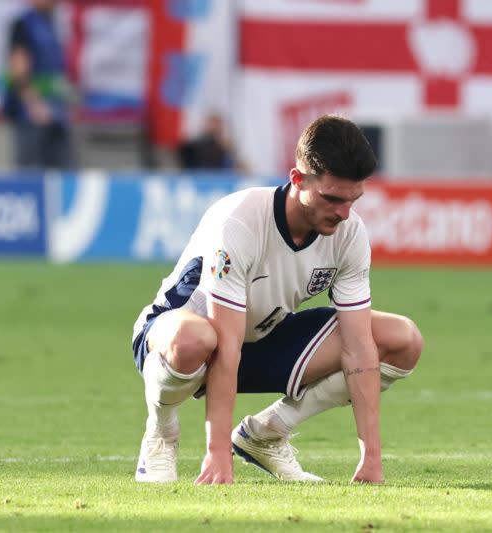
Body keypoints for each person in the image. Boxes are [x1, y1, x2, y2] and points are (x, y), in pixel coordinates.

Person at [131, 115, 423, 485]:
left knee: (401, 340)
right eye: (332, 198)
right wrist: (218, 455)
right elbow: (226, 344)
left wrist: (372, 460)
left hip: (256, 340)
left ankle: (265, 434)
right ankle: (160, 432)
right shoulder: (241, 220)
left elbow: (359, 347)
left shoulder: (349, 233)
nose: (344, 213)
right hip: (179, 341)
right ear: (296, 179)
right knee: (197, 339)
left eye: (353, 200)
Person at [2, 0, 74, 169]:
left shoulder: (54, 24)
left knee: (62, 173)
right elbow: (19, 69)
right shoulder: (23, 24)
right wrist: (34, 105)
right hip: (32, 116)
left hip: (56, 115)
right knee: (32, 174)